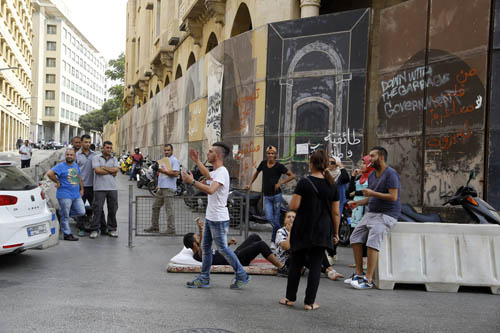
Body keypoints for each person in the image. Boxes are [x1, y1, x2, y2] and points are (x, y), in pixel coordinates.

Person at [181, 142, 250, 289]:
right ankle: (204, 278)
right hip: (211, 217)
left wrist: (192, 181)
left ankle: (241, 274)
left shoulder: (223, 172)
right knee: (205, 248)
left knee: (223, 249)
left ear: (217, 155)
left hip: (218, 219)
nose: (208, 154)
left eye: (210, 152)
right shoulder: (217, 172)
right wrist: (197, 161)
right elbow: (207, 175)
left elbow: (211, 190)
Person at [279, 149, 340, 311]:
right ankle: (310, 302)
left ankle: (289, 298)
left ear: (312, 164)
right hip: (322, 229)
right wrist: (335, 232)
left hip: (303, 228)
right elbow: (336, 212)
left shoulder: (304, 182)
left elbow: (293, 206)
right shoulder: (332, 185)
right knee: (315, 265)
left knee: (296, 263)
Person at [346, 146, 401, 290]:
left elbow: (393, 197)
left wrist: (371, 193)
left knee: (372, 241)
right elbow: (370, 197)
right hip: (371, 212)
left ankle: (368, 279)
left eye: (372, 156)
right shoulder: (371, 175)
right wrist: (358, 202)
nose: (369, 159)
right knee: (355, 237)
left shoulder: (391, 174)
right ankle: (359, 273)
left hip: (386, 214)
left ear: (381, 158)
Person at [183, 218, 288, 275]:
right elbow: (202, 248)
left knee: (254, 237)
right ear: (193, 243)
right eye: (197, 237)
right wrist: (201, 230)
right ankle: (282, 267)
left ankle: (273, 258)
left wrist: (228, 243)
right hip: (237, 260)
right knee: (260, 245)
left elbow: (218, 252)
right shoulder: (198, 255)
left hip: (234, 254)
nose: (199, 237)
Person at [244, 145, 296, 243]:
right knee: (269, 217)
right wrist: (249, 184)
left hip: (277, 196)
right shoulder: (263, 164)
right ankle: (282, 233)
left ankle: (273, 241)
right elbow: (256, 174)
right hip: (267, 196)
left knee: (276, 218)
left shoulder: (279, 166)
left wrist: (280, 183)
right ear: (266, 154)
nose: (270, 155)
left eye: (272, 153)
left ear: (275, 155)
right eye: (268, 153)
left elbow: (292, 176)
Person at [275, 211, 343, 281]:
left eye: (293, 217)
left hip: (297, 259)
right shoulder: (280, 231)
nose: (291, 219)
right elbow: (287, 247)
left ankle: (330, 269)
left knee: (317, 248)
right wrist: (291, 231)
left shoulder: (300, 230)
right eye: (288, 217)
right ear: (284, 220)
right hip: (285, 262)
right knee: (300, 255)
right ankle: (327, 272)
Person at [46, 148, 85, 241]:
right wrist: (57, 181)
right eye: (67, 154)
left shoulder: (75, 165)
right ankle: (67, 234)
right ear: (65, 156)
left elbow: (79, 177)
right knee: (65, 215)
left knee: (81, 211)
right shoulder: (61, 166)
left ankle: (62, 214)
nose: (69, 156)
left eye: (71, 155)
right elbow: (50, 173)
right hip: (64, 194)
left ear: (74, 156)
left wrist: (82, 189)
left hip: (76, 194)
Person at [345, 155, 374, 270]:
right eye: (361, 163)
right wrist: (353, 177)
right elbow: (349, 191)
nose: (361, 165)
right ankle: (359, 260)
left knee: (365, 233)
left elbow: (369, 193)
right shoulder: (359, 178)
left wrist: (356, 194)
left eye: (364, 163)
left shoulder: (372, 178)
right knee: (355, 232)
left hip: (365, 206)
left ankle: (365, 260)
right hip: (356, 207)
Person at [145, 144, 180, 234]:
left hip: (169, 188)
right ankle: (155, 226)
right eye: (165, 150)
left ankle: (171, 229)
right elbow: (161, 175)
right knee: (155, 207)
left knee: (169, 209)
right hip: (162, 187)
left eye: (168, 150)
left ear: (172, 150)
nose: (166, 152)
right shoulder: (164, 160)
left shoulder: (174, 161)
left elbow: (176, 174)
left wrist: (162, 171)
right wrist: (158, 185)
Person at [90, 141, 120, 239]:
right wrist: (110, 170)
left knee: (112, 209)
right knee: (97, 209)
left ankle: (112, 229)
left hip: (112, 188)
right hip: (99, 188)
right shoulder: (96, 158)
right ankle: (95, 229)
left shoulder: (114, 158)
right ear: (103, 148)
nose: (109, 150)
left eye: (110, 148)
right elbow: (97, 171)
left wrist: (104, 167)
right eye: (107, 147)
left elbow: (116, 170)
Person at [75, 134, 104, 237]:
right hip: (81, 187)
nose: (87, 144)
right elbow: (74, 172)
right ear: (81, 143)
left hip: (94, 186)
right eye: (85, 142)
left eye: (89, 142)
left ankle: (98, 228)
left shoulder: (95, 155)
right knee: (80, 208)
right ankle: (81, 228)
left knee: (97, 208)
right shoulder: (76, 156)